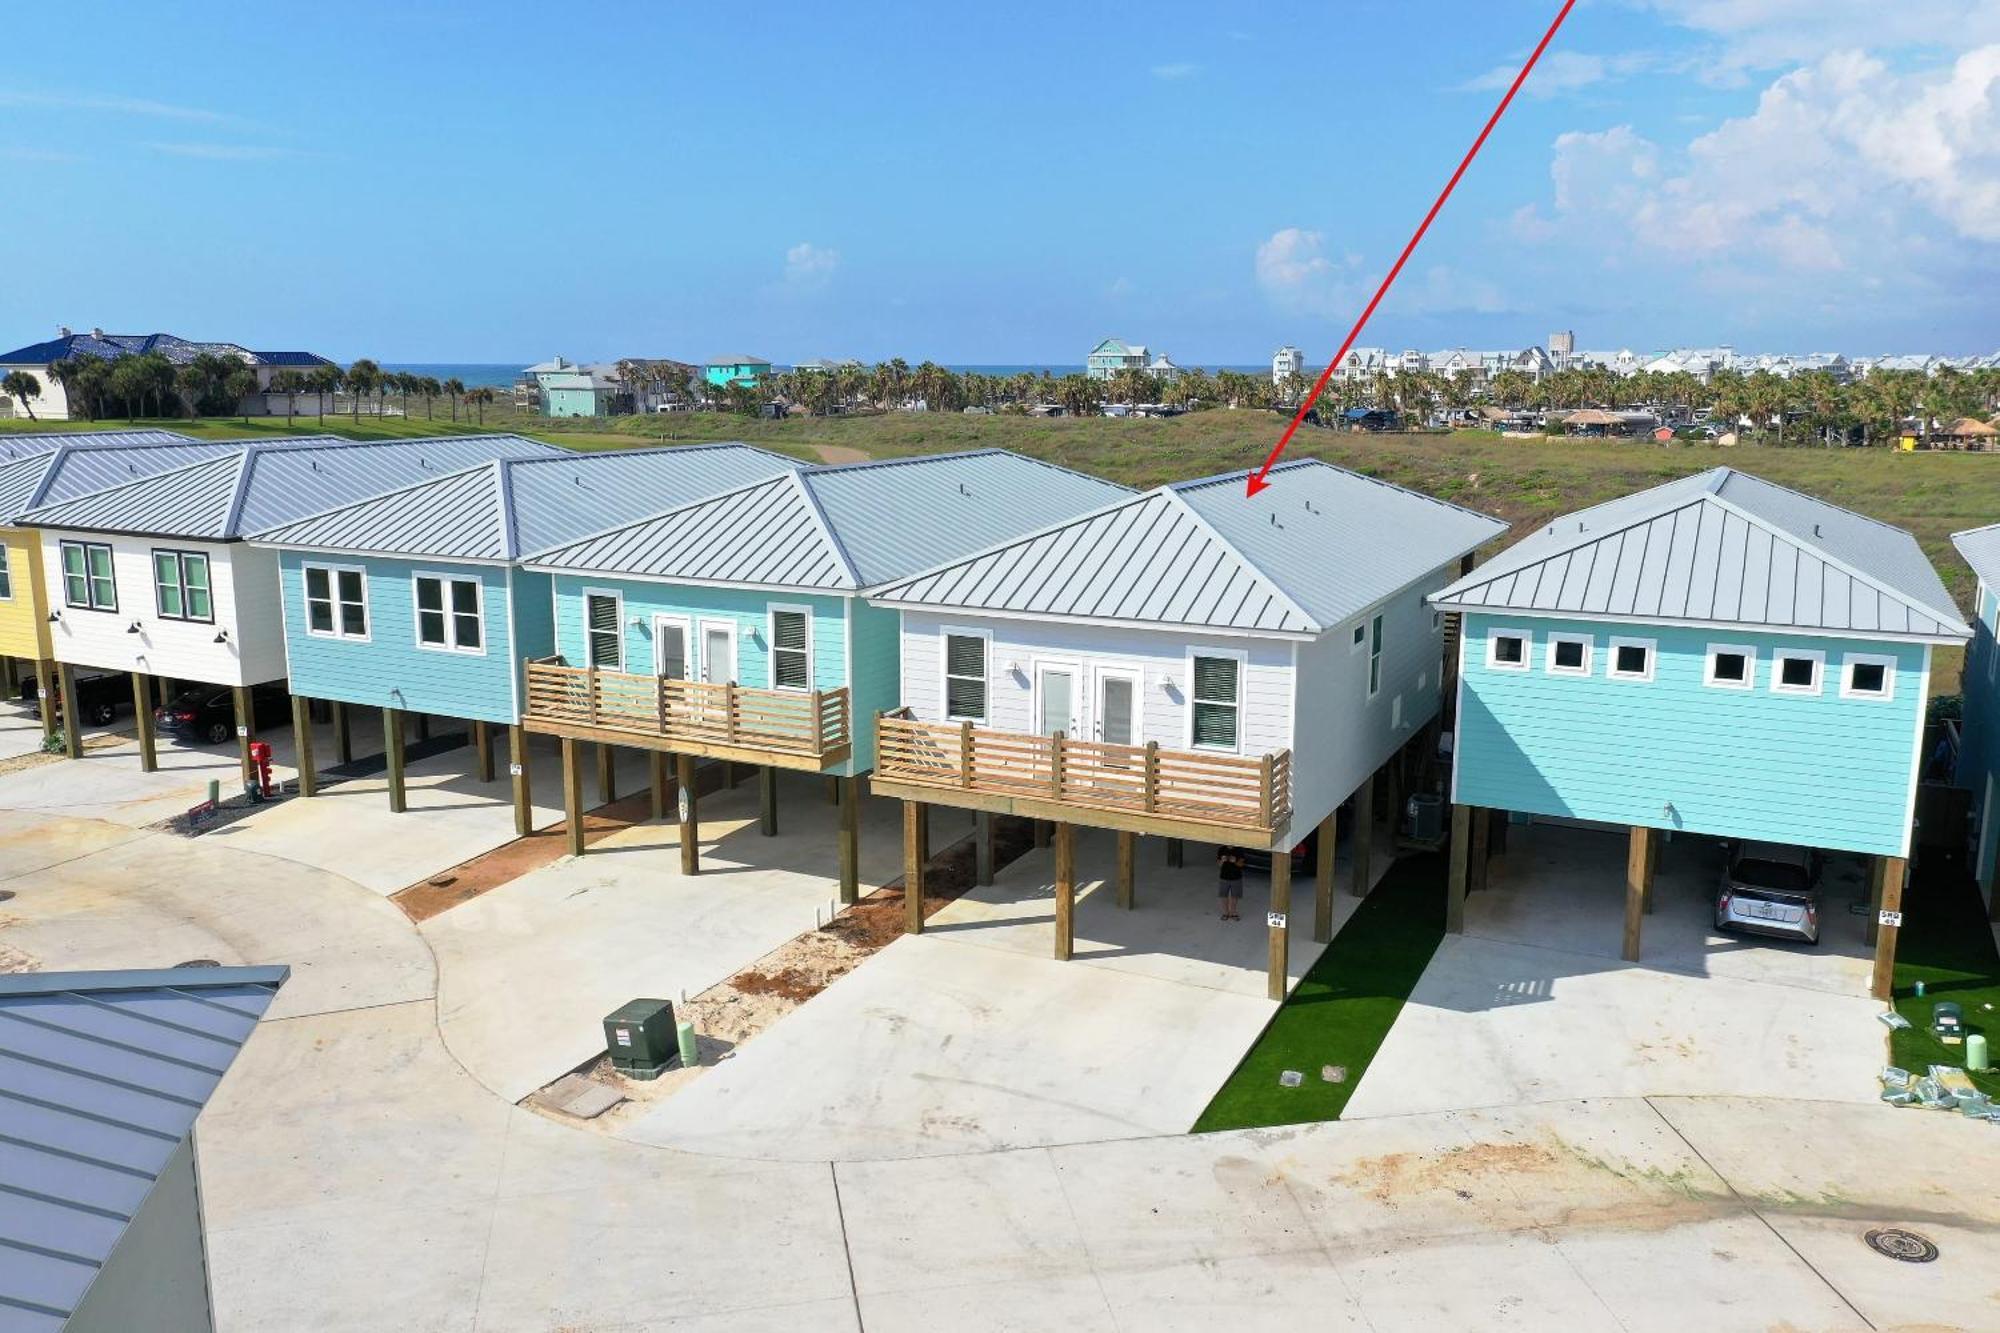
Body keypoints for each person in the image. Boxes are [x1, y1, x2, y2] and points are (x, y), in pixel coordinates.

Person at [1217, 846, 1244, 921]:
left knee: (1235, 896)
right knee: (1223, 896)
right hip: (1224, 877)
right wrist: (1222, 861)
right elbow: (1219, 864)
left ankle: (1233, 913)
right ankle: (1225, 913)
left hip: (1236, 877)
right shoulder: (1221, 849)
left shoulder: (1240, 850)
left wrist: (1235, 861)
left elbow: (1242, 864)